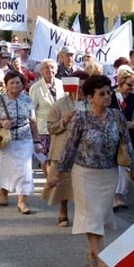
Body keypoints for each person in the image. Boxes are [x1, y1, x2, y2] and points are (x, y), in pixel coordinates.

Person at [48, 75, 134, 267]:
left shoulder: (117, 116)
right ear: (90, 97)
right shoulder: (80, 118)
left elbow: (127, 144)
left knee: (100, 216)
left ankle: (92, 253)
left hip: (109, 174)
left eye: (109, 92)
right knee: (91, 216)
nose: (107, 96)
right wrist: (57, 175)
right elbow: (69, 149)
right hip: (84, 174)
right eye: (102, 94)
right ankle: (103, 262)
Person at [0, 70, 43, 215]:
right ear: (6, 85)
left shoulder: (27, 100)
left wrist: (37, 141)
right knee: (5, 168)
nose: (15, 85)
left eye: (18, 82)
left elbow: (33, 122)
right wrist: (1, 122)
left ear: (23, 85)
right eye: (12, 82)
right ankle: (3, 191)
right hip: (4, 139)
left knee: (24, 171)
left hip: (24, 139)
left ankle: (22, 201)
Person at [43, 77, 86, 228]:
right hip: (64, 149)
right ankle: (63, 209)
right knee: (64, 184)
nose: (80, 90)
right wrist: (64, 121)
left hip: (86, 151)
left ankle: (83, 215)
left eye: (83, 87)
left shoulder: (92, 103)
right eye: (78, 87)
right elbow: (51, 127)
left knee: (85, 186)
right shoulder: (59, 105)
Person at [28, 58, 64, 173]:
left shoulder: (61, 84)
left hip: (60, 127)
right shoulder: (36, 87)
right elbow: (31, 110)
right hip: (43, 129)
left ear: (56, 70)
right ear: (41, 71)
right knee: (45, 159)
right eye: (46, 68)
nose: (49, 70)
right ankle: (48, 182)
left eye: (52, 67)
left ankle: (52, 184)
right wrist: (34, 131)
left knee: (57, 158)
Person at [112, 66, 134, 209]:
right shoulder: (111, 96)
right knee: (114, 167)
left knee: (124, 166)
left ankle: (120, 196)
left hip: (126, 136)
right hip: (112, 134)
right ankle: (112, 196)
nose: (132, 88)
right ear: (121, 82)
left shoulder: (133, 98)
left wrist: (132, 123)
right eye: (129, 84)